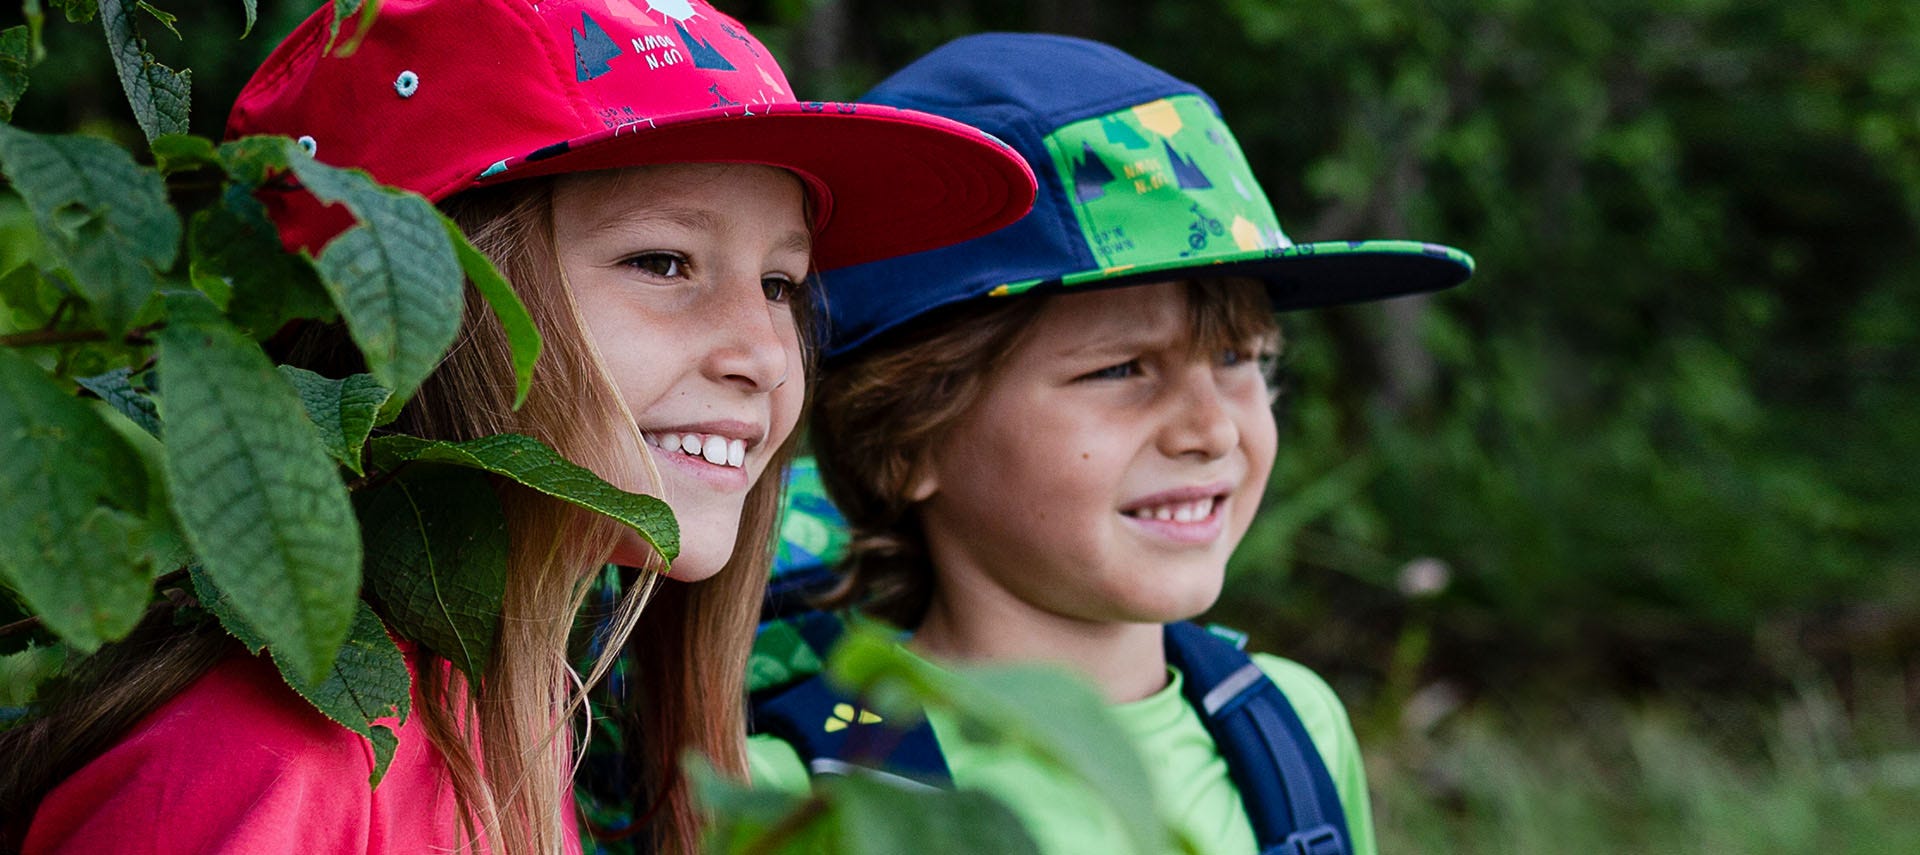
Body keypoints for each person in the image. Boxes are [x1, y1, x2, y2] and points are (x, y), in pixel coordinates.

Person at [0, 2, 1032, 854]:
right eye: (664, 262)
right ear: (406, 306)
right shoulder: (265, 764)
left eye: (781, 283)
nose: (762, 353)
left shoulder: (529, 711)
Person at [745, 33, 1473, 855]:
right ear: (907, 438)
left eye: (1238, 359)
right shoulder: (798, 796)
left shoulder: (1291, 734)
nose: (1212, 428)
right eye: (1122, 368)